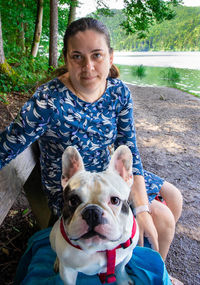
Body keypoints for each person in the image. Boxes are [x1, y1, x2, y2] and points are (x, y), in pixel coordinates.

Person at [0, 17, 182, 263]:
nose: (88, 67)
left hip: (109, 177)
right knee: (161, 217)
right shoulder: (48, 102)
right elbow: (7, 145)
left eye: (97, 55)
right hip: (76, 190)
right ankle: (135, 265)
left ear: (110, 57)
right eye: (77, 57)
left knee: (173, 197)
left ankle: (147, 267)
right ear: (66, 58)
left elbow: (130, 149)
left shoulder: (118, 93)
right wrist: (144, 210)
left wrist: (140, 207)